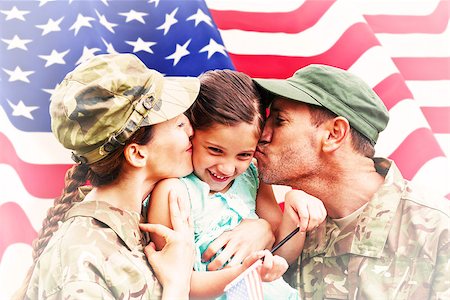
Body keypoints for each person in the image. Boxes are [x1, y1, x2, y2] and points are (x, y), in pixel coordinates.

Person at [253, 64, 450, 299]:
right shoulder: (293, 230)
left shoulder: (436, 232)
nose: (261, 135)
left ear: (334, 134)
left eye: (279, 120)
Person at [15, 53, 202, 299]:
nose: (191, 130)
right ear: (136, 154)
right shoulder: (82, 260)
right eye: (179, 125)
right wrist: (177, 285)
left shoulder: (140, 220)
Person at [147, 69, 326, 299]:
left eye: (243, 155)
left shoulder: (251, 176)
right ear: (192, 133)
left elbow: (281, 253)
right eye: (215, 150)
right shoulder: (174, 192)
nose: (227, 169)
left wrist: (294, 211)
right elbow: (179, 282)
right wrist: (244, 272)